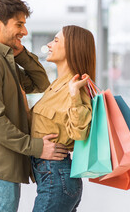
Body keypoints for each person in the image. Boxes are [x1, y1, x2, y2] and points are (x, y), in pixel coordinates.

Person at [0, 0, 69, 212]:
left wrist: (21, 53)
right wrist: (37, 147)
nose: (24, 32)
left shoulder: (3, 61)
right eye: (19, 25)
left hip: (4, 167)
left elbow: (40, 83)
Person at [30, 25, 96, 212]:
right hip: (51, 177)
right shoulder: (55, 86)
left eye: (56, 40)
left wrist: (75, 94)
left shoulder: (76, 86)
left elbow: (78, 132)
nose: (50, 44)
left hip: (56, 178)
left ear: (72, 48)